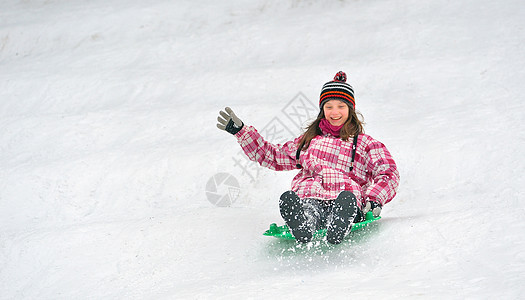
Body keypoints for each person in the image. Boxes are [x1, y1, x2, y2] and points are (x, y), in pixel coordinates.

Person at [217, 71, 399, 244]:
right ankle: (303, 222)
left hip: (345, 197)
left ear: (351, 109)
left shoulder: (365, 143)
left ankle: (340, 221)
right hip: (309, 195)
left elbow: (388, 172)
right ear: (322, 110)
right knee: (309, 208)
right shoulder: (308, 142)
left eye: (341, 107)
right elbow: (271, 155)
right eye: (329, 107)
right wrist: (241, 131)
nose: (335, 112)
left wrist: (374, 197)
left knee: (344, 202)